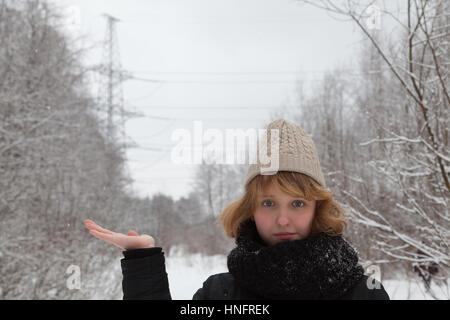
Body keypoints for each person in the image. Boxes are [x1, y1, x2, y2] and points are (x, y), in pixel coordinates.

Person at [85, 118, 390, 300]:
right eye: (268, 203)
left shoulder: (364, 293)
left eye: (297, 203)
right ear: (250, 210)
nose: (283, 219)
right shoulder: (221, 294)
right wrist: (143, 263)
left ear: (317, 209)